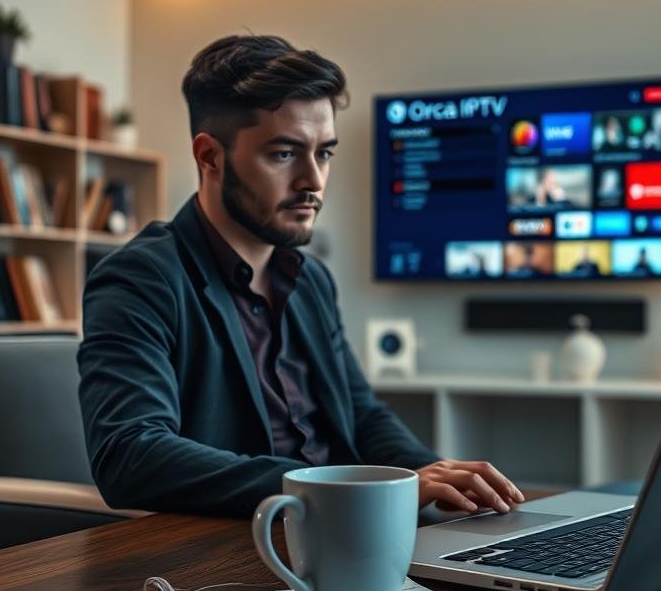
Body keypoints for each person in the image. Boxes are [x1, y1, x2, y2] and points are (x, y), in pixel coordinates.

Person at [77, 35, 524, 518]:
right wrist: (338, 488)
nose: (313, 180)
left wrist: (433, 475)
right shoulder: (140, 279)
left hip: (353, 531)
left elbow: (360, 414)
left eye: (324, 153)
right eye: (285, 154)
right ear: (210, 157)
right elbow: (131, 454)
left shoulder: (310, 280)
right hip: (246, 548)